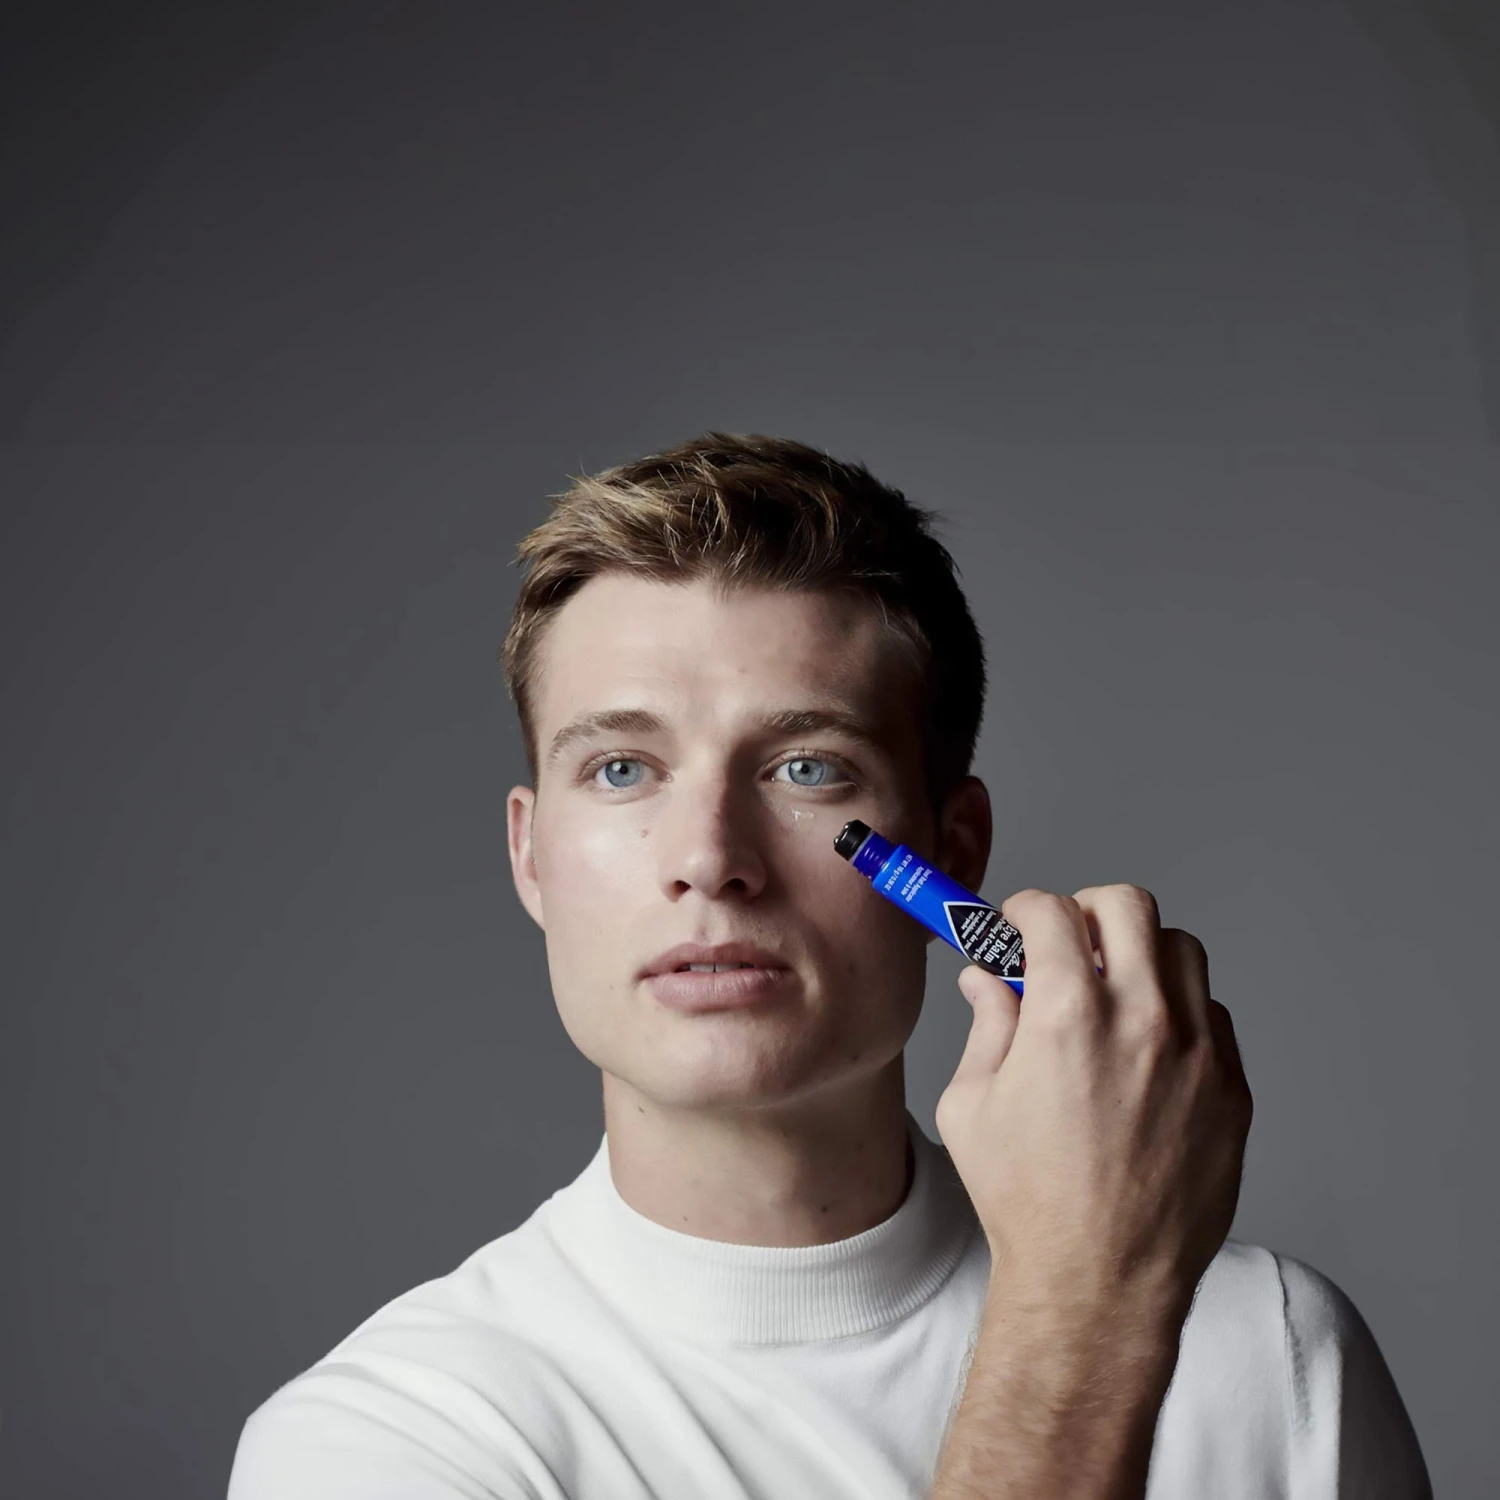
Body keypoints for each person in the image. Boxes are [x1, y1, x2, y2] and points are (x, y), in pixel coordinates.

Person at [227, 433, 1431, 1498]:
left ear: (953, 852)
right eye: (622, 770)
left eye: (807, 768)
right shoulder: (383, 1444)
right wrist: (1080, 1321)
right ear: (530, 855)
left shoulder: (1272, 1358)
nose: (711, 860)